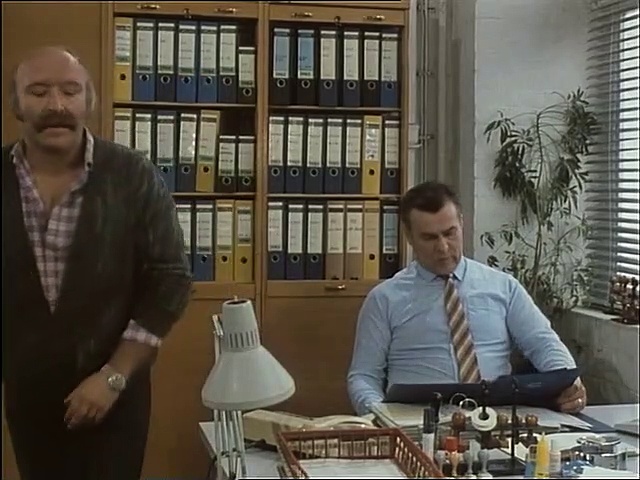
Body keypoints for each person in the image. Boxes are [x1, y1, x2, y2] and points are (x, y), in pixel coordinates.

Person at [2, 46, 192, 479]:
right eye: (38, 92)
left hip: (115, 394)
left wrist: (113, 376)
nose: (56, 105)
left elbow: (170, 280)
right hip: (27, 399)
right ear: (16, 105)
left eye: (70, 91)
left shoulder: (133, 175)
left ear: (89, 101)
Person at [347, 181, 587, 416]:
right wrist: (380, 417)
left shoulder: (503, 287)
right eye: (429, 238)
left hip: (495, 418)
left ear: (461, 223)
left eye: (450, 233)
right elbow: (364, 376)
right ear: (409, 236)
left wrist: (570, 385)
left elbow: (543, 344)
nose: (443, 247)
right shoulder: (385, 299)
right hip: (418, 421)